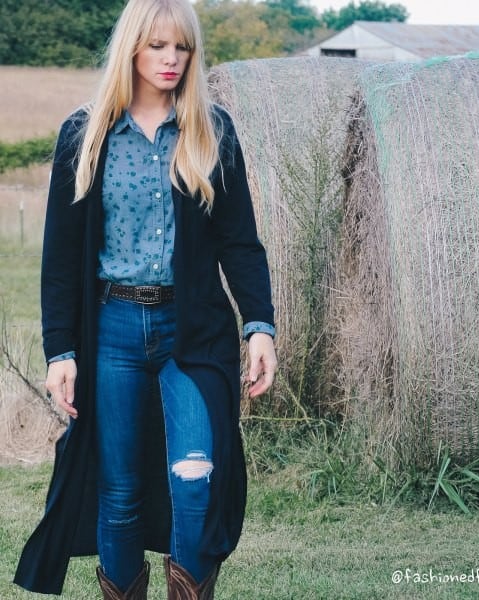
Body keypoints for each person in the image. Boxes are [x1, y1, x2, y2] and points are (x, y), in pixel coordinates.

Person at [14, 0, 277, 598]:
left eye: (181, 47)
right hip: (112, 332)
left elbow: (239, 242)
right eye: (158, 46)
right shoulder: (86, 135)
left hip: (195, 332)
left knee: (194, 480)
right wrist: (60, 353)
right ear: (132, 48)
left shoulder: (213, 130)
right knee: (120, 489)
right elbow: (59, 260)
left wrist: (259, 325)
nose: (171, 59)